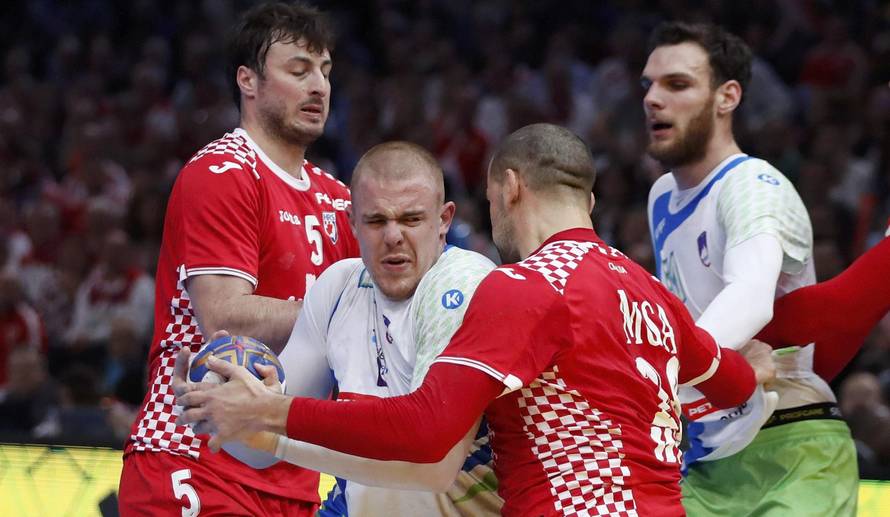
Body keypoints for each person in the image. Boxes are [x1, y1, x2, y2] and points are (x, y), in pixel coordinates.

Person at [176, 123, 777, 516]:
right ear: (588, 202)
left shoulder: (522, 288)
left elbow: (426, 431)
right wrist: (751, 368)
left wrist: (270, 413)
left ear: (510, 188)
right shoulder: (648, 290)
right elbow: (729, 386)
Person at [118, 3, 359, 516]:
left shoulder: (340, 199)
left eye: (325, 70)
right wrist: (344, 314)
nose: (318, 86)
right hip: (193, 457)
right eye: (298, 70)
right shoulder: (222, 171)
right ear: (247, 81)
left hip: (292, 479)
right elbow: (226, 318)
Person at [184, 141, 503, 516]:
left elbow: (433, 468)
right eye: (376, 221)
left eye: (411, 220)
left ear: (444, 220)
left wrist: (273, 424)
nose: (394, 237)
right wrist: (218, 409)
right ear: (352, 221)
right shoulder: (337, 287)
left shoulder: (468, 285)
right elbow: (259, 450)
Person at [642, 22, 857, 514]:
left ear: (727, 97)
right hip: (708, 455)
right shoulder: (660, 197)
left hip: (791, 448)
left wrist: (658, 384)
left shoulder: (751, 186)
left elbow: (751, 297)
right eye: (648, 85)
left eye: (677, 84)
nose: (653, 98)